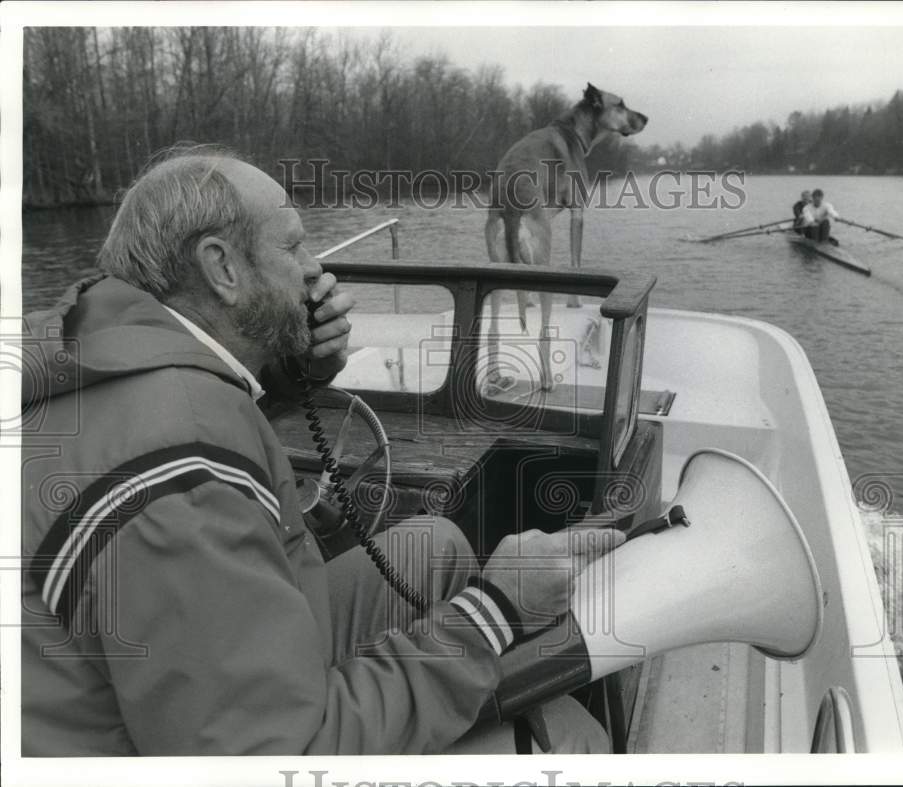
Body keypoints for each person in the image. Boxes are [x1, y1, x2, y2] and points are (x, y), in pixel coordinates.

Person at [19, 146, 620, 756]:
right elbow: (277, 756)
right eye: (293, 247)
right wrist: (496, 611)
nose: (317, 271)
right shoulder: (181, 478)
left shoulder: (112, 343)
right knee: (574, 743)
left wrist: (288, 376)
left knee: (432, 545)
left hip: (207, 668)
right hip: (217, 744)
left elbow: (194, 417)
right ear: (222, 268)